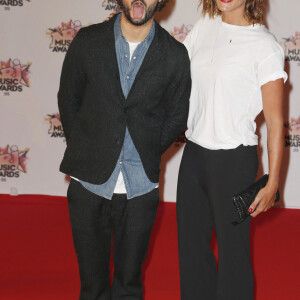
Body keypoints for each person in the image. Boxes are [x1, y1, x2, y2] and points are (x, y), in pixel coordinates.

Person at [57, 0, 191, 299]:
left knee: (129, 285)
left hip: (140, 188)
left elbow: (176, 118)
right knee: (92, 287)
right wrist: (88, 147)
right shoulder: (89, 41)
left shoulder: (175, 55)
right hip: (89, 184)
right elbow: (68, 99)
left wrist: (146, 149)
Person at [177, 0, 287, 299]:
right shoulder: (203, 28)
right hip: (194, 156)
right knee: (191, 248)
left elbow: (276, 123)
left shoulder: (265, 46)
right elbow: (172, 69)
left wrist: (274, 181)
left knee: (233, 254)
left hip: (234, 162)